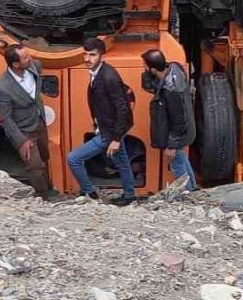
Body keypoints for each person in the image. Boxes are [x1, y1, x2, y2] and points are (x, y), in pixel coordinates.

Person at [66, 37, 137, 205]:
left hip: (110, 131)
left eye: (92, 55)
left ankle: (90, 192)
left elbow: (122, 108)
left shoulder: (108, 77)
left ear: (101, 56)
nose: (87, 59)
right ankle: (129, 195)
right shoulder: (99, 73)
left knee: (73, 159)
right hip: (109, 128)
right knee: (123, 163)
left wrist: (116, 139)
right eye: (85, 54)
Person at [0, 44, 54, 199]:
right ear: (15, 64)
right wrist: (21, 141)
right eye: (26, 57)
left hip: (39, 123)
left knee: (44, 157)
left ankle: (50, 188)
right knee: (35, 165)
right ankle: (43, 197)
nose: (31, 59)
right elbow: (6, 119)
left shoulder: (35, 67)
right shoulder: (3, 87)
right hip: (24, 131)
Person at [141, 49, 196, 191]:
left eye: (146, 67)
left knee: (177, 164)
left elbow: (179, 120)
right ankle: (193, 188)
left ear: (153, 69)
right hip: (185, 131)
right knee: (182, 159)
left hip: (177, 133)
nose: (144, 69)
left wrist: (171, 145)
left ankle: (189, 194)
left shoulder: (171, 91)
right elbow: (150, 87)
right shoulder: (175, 70)